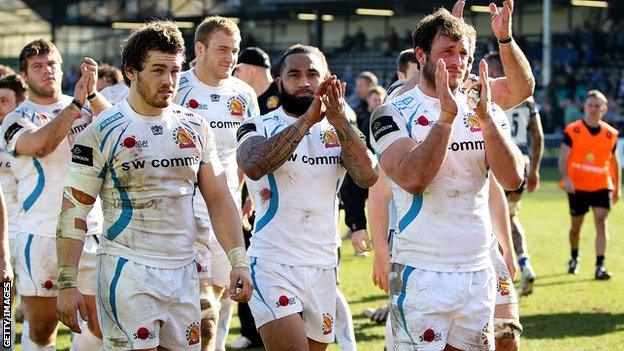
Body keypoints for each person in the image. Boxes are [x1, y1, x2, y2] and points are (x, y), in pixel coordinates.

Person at [54, 20, 253, 351]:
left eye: (175, 71)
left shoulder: (195, 127)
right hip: (127, 271)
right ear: (131, 71)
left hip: (184, 272)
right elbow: (75, 207)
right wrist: (67, 281)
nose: (169, 81)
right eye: (158, 70)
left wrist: (238, 261)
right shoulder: (101, 131)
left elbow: (219, 199)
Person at [370, 4, 529, 349]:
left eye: (464, 54)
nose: (457, 62)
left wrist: (487, 122)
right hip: (421, 269)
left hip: (476, 268)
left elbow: (513, 178)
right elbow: (413, 178)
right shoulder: (393, 111)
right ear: (422, 55)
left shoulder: (483, 106)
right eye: (448, 53)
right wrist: (444, 119)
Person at [236, 44, 377, 351]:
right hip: (273, 264)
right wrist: (307, 121)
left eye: (313, 74)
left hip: (323, 265)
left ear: (327, 79)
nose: (304, 82)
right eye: (294, 74)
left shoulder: (342, 129)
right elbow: (254, 165)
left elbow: (367, 176)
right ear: (278, 82)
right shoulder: (258, 124)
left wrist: (339, 122)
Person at [0, 39, 110, 351]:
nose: (46, 71)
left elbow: (122, 129)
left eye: (52, 64)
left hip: (89, 233)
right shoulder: (15, 118)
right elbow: (40, 146)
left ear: (62, 69)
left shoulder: (85, 105)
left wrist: (91, 94)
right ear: (24, 77)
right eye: (37, 66)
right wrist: (75, 107)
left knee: (97, 328)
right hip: (41, 237)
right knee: (43, 331)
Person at [173, 16, 260, 351]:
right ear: (200, 49)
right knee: (201, 308)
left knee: (223, 297)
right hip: (184, 209)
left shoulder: (243, 94)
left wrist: (246, 196)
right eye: (222, 49)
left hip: (226, 210)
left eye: (234, 50)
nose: (230, 58)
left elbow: (248, 152)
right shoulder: (177, 87)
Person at [484, 51, 543, 296]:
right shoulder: (527, 100)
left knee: (493, 220)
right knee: (509, 217)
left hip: (499, 162)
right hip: (522, 163)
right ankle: (524, 261)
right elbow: (537, 136)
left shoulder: (491, 96)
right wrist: (535, 170)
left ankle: (501, 277)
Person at [231, 46, 278, 350]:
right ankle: (251, 330)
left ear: (249, 69)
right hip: (250, 196)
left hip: (275, 200)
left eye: (237, 69)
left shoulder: (278, 99)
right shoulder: (251, 102)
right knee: (245, 261)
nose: (235, 76)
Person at [558, 89, 620, 280]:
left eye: (597, 106)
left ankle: (600, 265)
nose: (593, 109)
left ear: (604, 109)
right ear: (584, 107)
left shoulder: (611, 134)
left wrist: (618, 186)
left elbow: (614, 162)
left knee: (601, 223)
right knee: (576, 228)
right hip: (577, 186)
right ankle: (574, 257)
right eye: (590, 105)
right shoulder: (573, 131)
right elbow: (562, 159)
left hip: (601, 184)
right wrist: (566, 178)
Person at [0, 74, 27, 347]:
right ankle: (6, 340)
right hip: (3, 230)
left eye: (4, 101)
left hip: (30, 228)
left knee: (31, 302)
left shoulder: (28, 132)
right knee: (5, 289)